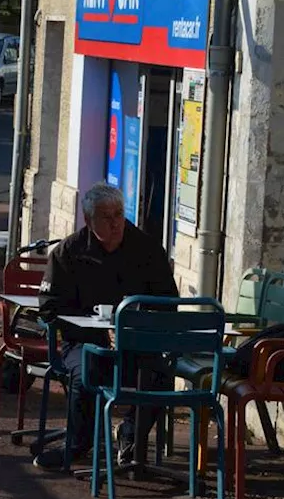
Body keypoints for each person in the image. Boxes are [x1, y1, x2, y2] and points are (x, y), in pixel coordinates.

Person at [34, 183, 179, 470]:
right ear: (89, 221)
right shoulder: (68, 252)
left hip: (134, 340)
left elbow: (167, 302)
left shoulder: (147, 249)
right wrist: (91, 326)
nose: (115, 223)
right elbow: (49, 307)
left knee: (160, 375)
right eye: (106, 216)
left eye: (119, 214)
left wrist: (137, 321)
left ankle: (131, 435)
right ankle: (77, 445)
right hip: (83, 341)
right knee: (86, 371)